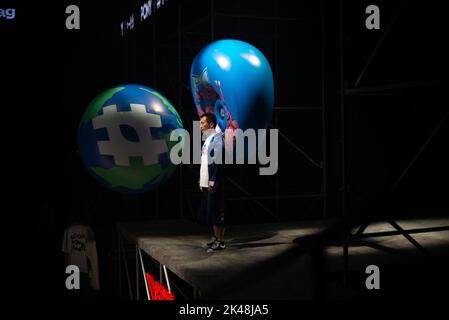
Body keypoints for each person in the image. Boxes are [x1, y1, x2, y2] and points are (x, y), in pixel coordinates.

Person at [197, 113, 227, 252]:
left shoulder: (217, 139)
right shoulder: (207, 140)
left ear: (210, 124)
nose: (200, 126)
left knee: (216, 211)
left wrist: (213, 180)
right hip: (205, 181)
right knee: (210, 211)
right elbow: (204, 162)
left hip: (213, 182)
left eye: (202, 123)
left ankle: (221, 241)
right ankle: (215, 237)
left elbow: (218, 161)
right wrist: (201, 180)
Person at [62, 209, 100, 298]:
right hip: (84, 267)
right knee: (83, 294)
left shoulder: (68, 231)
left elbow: (67, 252)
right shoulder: (87, 230)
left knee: (74, 294)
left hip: (72, 268)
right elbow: (92, 252)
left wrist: (65, 270)